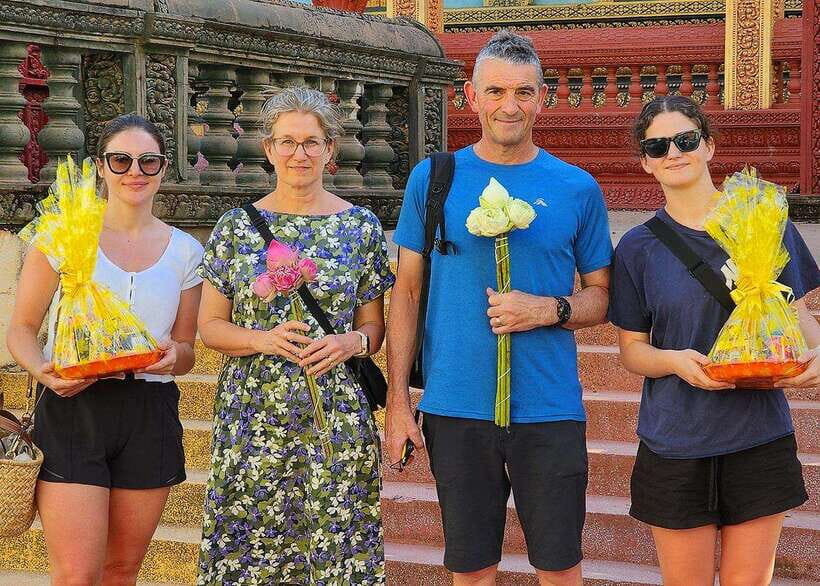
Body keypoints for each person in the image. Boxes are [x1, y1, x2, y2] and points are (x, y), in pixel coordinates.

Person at [387, 30, 613, 585]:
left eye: (522, 92)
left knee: (559, 566)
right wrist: (397, 401)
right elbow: (408, 291)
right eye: (494, 92)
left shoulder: (575, 187)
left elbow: (601, 296)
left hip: (549, 406)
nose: (508, 106)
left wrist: (548, 309)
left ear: (542, 98)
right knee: (471, 567)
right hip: (456, 403)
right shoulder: (434, 179)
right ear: (471, 96)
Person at [608, 95, 820, 586]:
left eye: (686, 140)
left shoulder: (763, 221)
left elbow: (796, 316)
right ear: (645, 163)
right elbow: (632, 350)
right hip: (677, 438)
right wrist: (675, 362)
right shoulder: (638, 248)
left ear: (710, 147)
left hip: (758, 434)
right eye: (657, 146)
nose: (674, 153)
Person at [196, 87, 394, 585]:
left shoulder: (361, 228)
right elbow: (210, 327)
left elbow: (374, 327)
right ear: (268, 150)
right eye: (287, 142)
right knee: (250, 545)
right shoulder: (235, 228)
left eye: (311, 142)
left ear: (331, 149)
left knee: (336, 541)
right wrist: (263, 340)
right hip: (252, 410)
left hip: (336, 414)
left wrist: (350, 343)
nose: (298, 154)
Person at [6, 113, 203, 585]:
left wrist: (175, 357)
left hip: (149, 408)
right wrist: (43, 372)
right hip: (75, 405)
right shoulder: (63, 236)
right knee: (76, 574)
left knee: (122, 571)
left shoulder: (186, 251)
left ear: (163, 169)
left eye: (148, 161)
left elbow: (187, 348)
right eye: (121, 160)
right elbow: (22, 329)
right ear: (100, 166)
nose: (134, 171)